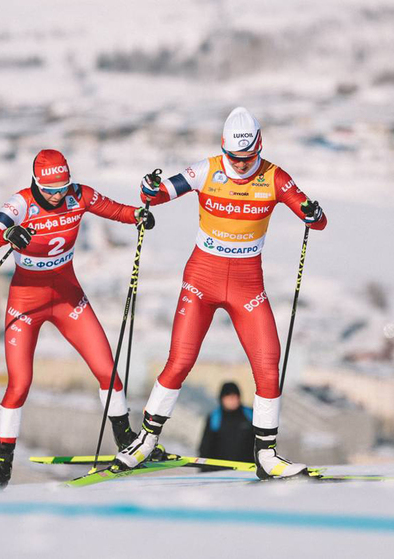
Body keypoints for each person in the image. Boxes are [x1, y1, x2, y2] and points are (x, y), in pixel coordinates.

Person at [114, 107, 327, 479]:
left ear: (258, 148)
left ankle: (267, 455)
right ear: (223, 149)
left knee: (268, 364)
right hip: (203, 278)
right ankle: (146, 441)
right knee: (179, 361)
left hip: (247, 284)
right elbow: (162, 192)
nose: (241, 166)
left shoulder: (274, 177)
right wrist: (150, 189)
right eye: (234, 158)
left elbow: (316, 219)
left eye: (248, 158)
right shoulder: (207, 169)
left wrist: (312, 213)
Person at [0, 149, 154, 489]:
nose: (58, 194)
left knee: (107, 368)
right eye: (50, 189)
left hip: (67, 295)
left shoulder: (79, 195)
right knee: (19, 384)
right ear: (36, 182)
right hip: (26, 302)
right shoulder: (21, 203)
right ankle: (1, 467)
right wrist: (8, 234)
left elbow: (115, 210)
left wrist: (139, 216)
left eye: (62, 187)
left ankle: (127, 440)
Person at [198, 382, 255, 466]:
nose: (232, 401)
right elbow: (206, 446)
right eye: (228, 397)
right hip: (221, 471)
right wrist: (205, 470)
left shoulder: (250, 414)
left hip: (248, 469)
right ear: (222, 399)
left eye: (234, 397)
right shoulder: (215, 417)